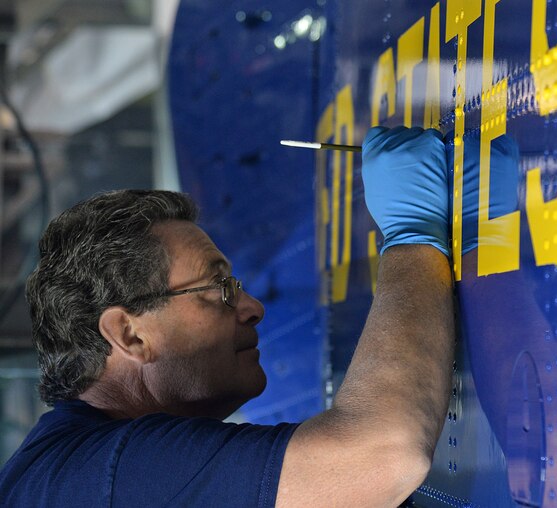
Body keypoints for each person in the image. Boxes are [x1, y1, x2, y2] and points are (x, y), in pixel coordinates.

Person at [0, 126, 455, 507]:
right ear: (129, 335)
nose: (253, 308)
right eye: (219, 289)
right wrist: (412, 233)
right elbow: (381, 455)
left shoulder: (68, 474)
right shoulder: (111, 475)